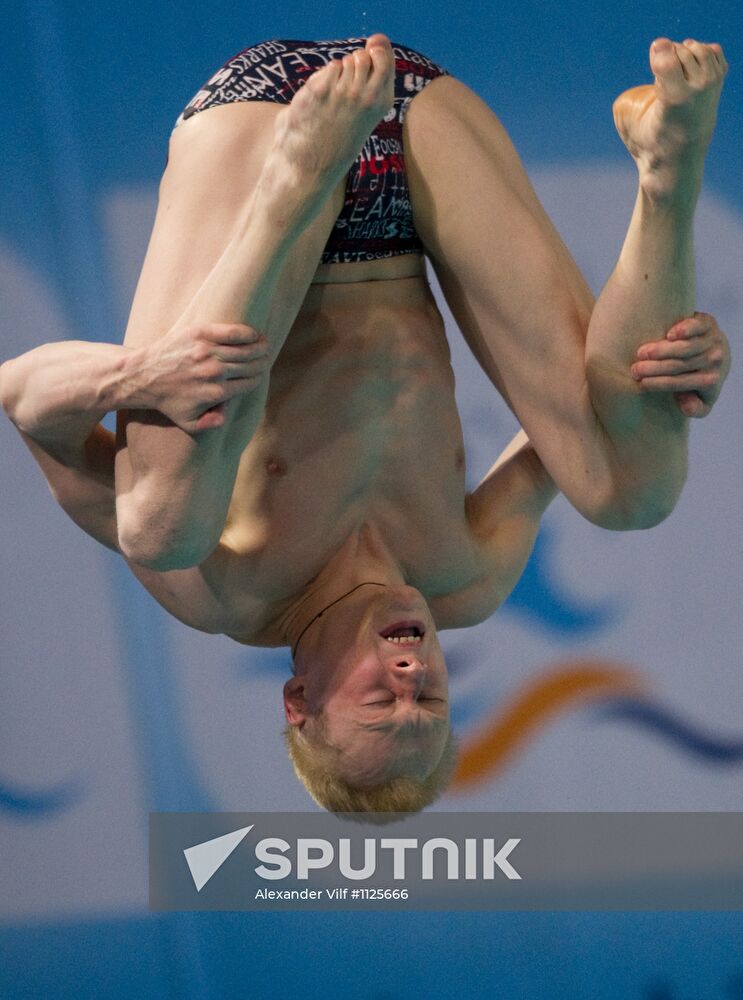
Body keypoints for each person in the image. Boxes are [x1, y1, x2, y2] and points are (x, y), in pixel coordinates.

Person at [0, 35, 730, 813]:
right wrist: (668, 379)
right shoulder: (466, 577)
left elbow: (23, 398)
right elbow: (575, 436)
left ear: (298, 699)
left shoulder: (222, 591)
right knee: (634, 493)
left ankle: (291, 193)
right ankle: (666, 172)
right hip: (420, 131)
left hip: (264, 132)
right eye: (432, 706)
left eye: (380, 706)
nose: (412, 680)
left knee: (157, 526)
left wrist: (135, 375)